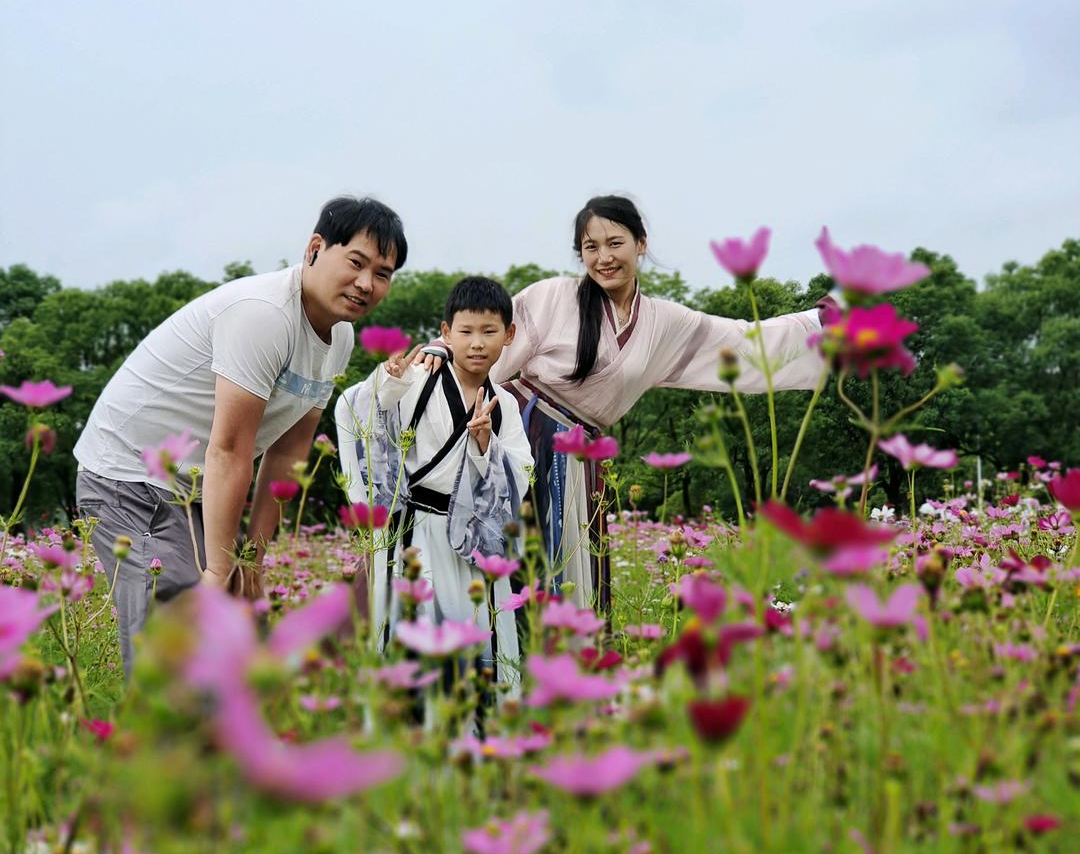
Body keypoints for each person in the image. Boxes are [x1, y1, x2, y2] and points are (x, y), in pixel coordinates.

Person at [420, 195, 825, 612]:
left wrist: (820, 325)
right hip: (521, 439)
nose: (603, 258)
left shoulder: (663, 323)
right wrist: (439, 351)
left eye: (615, 243)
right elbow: (484, 342)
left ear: (641, 244)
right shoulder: (553, 296)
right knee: (512, 567)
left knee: (573, 577)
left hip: (583, 458)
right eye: (591, 248)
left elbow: (738, 342)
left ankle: (567, 667)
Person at [74, 195, 407, 674]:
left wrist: (251, 558)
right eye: (356, 262)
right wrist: (216, 568)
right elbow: (230, 449)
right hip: (129, 478)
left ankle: (225, 741)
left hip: (193, 486)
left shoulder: (339, 338)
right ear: (316, 248)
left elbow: (289, 453)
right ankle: (156, 744)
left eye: (382, 273)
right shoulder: (264, 315)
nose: (365, 284)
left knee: (235, 628)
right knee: (182, 626)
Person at [335, 277, 533, 694]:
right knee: (416, 632)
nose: (476, 343)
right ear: (446, 333)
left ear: (509, 335)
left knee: (479, 635)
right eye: (465, 332)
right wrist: (389, 381)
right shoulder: (420, 379)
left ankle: (477, 734)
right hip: (417, 534)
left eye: (489, 331)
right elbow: (363, 411)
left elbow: (521, 475)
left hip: (476, 542)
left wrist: (485, 447)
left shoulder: (507, 405)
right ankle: (415, 728)